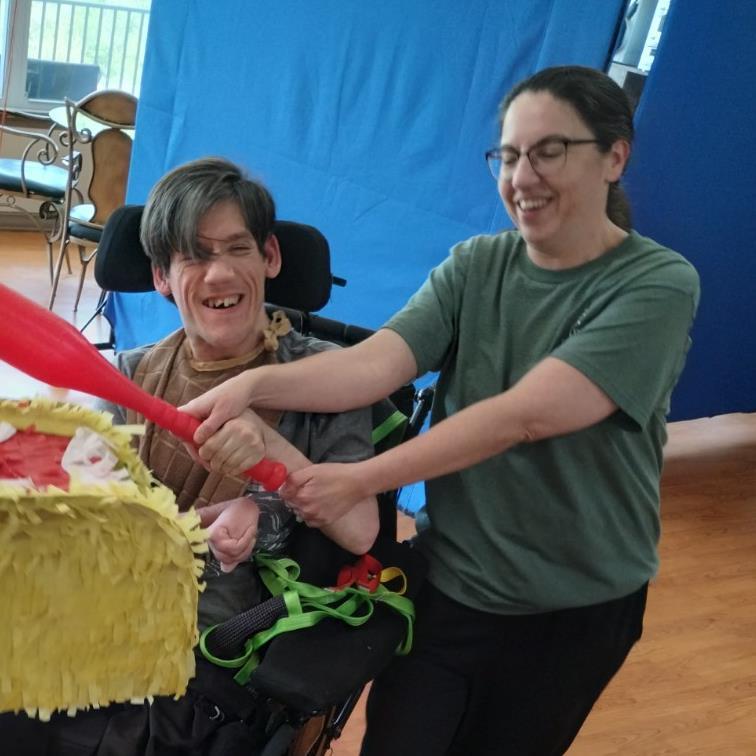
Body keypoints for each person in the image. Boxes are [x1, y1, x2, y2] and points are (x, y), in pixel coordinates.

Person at [181, 66, 701, 755]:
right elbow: (376, 364)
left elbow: (526, 414)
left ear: (614, 157)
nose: (522, 176)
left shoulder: (657, 284)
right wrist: (252, 387)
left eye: (549, 151)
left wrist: (358, 480)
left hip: (573, 609)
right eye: (508, 156)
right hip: (450, 586)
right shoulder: (476, 265)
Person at [37, 157, 379, 755]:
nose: (219, 273)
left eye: (237, 248)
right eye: (193, 256)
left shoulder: (330, 379)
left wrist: (268, 476)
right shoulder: (129, 376)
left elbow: (358, 530)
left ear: (269, 256)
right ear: (162, 276)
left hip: (205, 668)